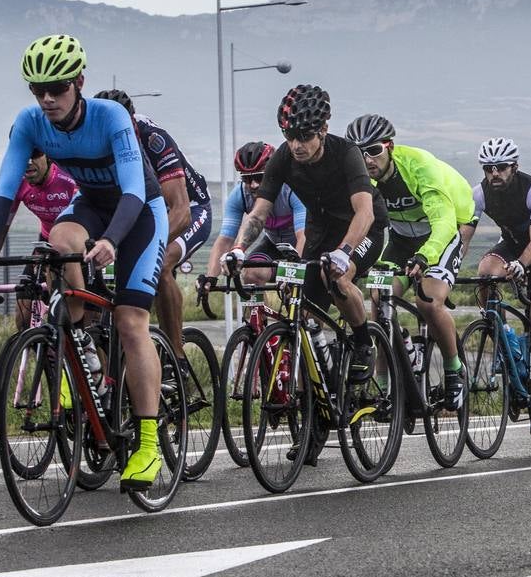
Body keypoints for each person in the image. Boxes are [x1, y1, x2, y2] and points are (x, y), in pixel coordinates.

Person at [0, 34, 169, 492]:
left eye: (57, 88)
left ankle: (147, 443)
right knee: (59, 239)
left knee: (130, 320)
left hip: (138, 212)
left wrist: (111, 241)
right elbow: (4, 189)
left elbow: (134, 191)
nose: (47, 98)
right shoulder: (30, 123)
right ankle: (79, 345)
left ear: (79, 82)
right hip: (90, 206)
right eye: (37, 89)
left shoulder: (111, 116)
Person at [220, 85, 387, 383]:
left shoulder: (347, 153)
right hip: (321, 232)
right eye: (289, 136)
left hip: (363, 229)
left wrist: (344, 252)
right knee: (304, 313)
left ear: (323, 129)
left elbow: (365, 212)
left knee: (335, 276)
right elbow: (258, 213)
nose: (297, 145)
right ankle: (322, 386)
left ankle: (363, 343)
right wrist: (239, 250)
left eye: (305, 136)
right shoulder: (284, 158)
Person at [346, 114, 474, 409]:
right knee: (378, 299)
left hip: (441, 231)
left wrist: (425, 256)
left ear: (390, 146)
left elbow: (442, 220)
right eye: (360, 153)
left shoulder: (418, 166)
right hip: (402, 238)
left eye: (374, 150)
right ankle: (391, 385)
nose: (367, 160)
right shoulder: (362, 177)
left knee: (428, 301)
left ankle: (455, 369)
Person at [94, 89, 212, 376]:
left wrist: (140, 246)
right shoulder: (95, 141)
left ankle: (176, 357)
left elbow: (181, 211)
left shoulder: (153, 139)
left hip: (189, 210)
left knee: (159, 265)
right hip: (144, 208)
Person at [459, 138, 531, 435]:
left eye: (501, 167)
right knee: (485, 272)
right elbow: (464, 238)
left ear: (514, 167)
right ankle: (504, 334)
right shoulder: (479, 193)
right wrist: (448, 265)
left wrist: (521, 265)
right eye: (489, 168)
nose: (495, 173)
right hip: (512, 244)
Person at [202, 141, 306, 292]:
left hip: (304, 244)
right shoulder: (240, 195)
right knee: (251, 274)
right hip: (274, 243)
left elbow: (303, 236)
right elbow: (225, 240)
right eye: (247, 179)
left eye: (259, 177)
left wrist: (292, 275)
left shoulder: (291, 190)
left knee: (297, 296)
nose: (254, 185)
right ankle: (259, 315)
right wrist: (211, 278)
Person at [7, 148, 79, 330]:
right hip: (47, 242)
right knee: (24, 310)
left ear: (48, 157)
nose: (28, 160)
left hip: (81, 242)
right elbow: (2, 222)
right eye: (24, 154)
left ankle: (93, 354)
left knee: (83, 323)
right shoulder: (18, 182)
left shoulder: (67, 176)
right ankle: (44, 352)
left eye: (36, 154)